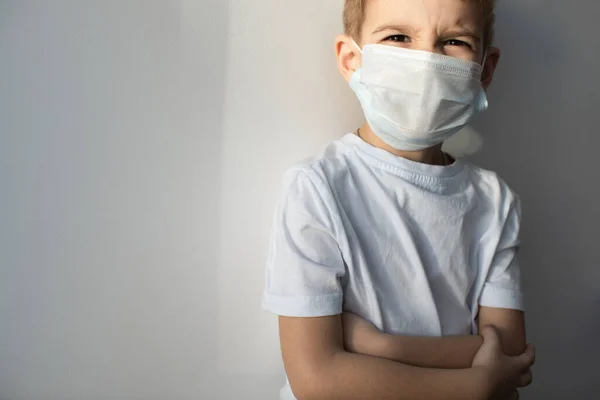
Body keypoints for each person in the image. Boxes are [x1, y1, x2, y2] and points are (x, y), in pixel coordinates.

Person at [261, 0, 535, 399]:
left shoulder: (494, 201)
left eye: (453, 41)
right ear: (352, 59)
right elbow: (316, 379)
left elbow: (509, 353)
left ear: (484, 70)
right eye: (398, 37)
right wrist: (472, 384)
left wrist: (380, 346)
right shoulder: (317, 187)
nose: (425, 61)